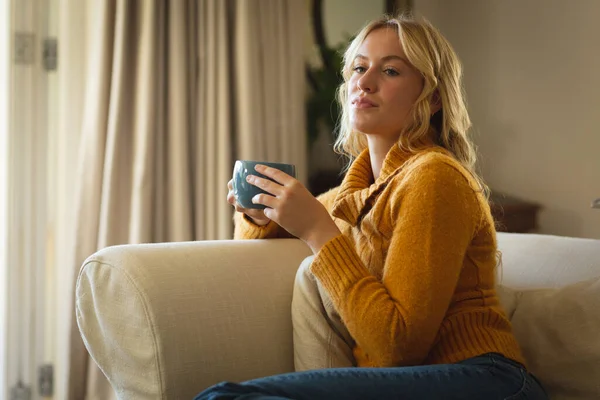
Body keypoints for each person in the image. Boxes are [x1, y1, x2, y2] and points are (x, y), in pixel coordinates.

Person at [196, 14, 548, 400]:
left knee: (226, 397)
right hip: (416, 383)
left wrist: (318, 231)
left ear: (431, 98)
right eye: (359, 68)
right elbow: (252, 242)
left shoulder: (434, 176)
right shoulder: (358, 194)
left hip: (484, 378)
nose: (363, 82)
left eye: (391, 70)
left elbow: (398, 349)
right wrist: (258, 212)